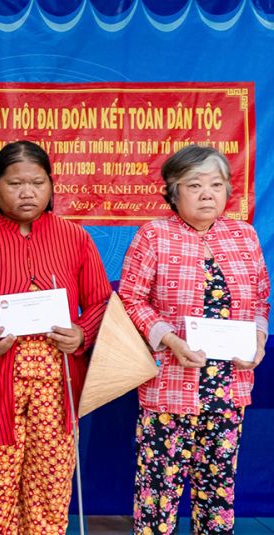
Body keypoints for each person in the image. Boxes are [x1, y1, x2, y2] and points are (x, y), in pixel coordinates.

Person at [0, 140, 111, 534]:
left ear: (51, 185)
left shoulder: (75, 238)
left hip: (57, 390)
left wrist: (81, 334)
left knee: (50, 487)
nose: (28, 192)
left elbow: (101, 302)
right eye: (15, 183)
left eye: (37, 182)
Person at [118, 145, 268, 534]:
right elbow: (131, 299)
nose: (207, 194)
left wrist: (259, 339)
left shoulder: (244, 235)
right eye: (195, 185)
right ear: (172, 191)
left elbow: (260, 297)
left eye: (217, 185)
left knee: (218, 493)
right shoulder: (154, 235)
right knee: (158, 491)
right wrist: (169, 339)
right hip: (170, 385)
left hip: (228, 388)